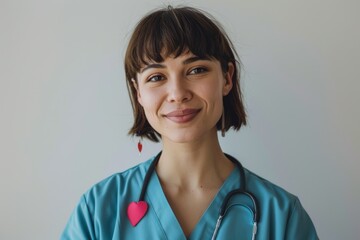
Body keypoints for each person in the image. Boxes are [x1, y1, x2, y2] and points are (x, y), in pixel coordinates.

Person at [61, 6, 318, 239]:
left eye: (196, 70)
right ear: (138, 91)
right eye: (156, 77)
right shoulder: (97, 211)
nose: (177, 93)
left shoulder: (282, 217)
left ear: (227, 78)